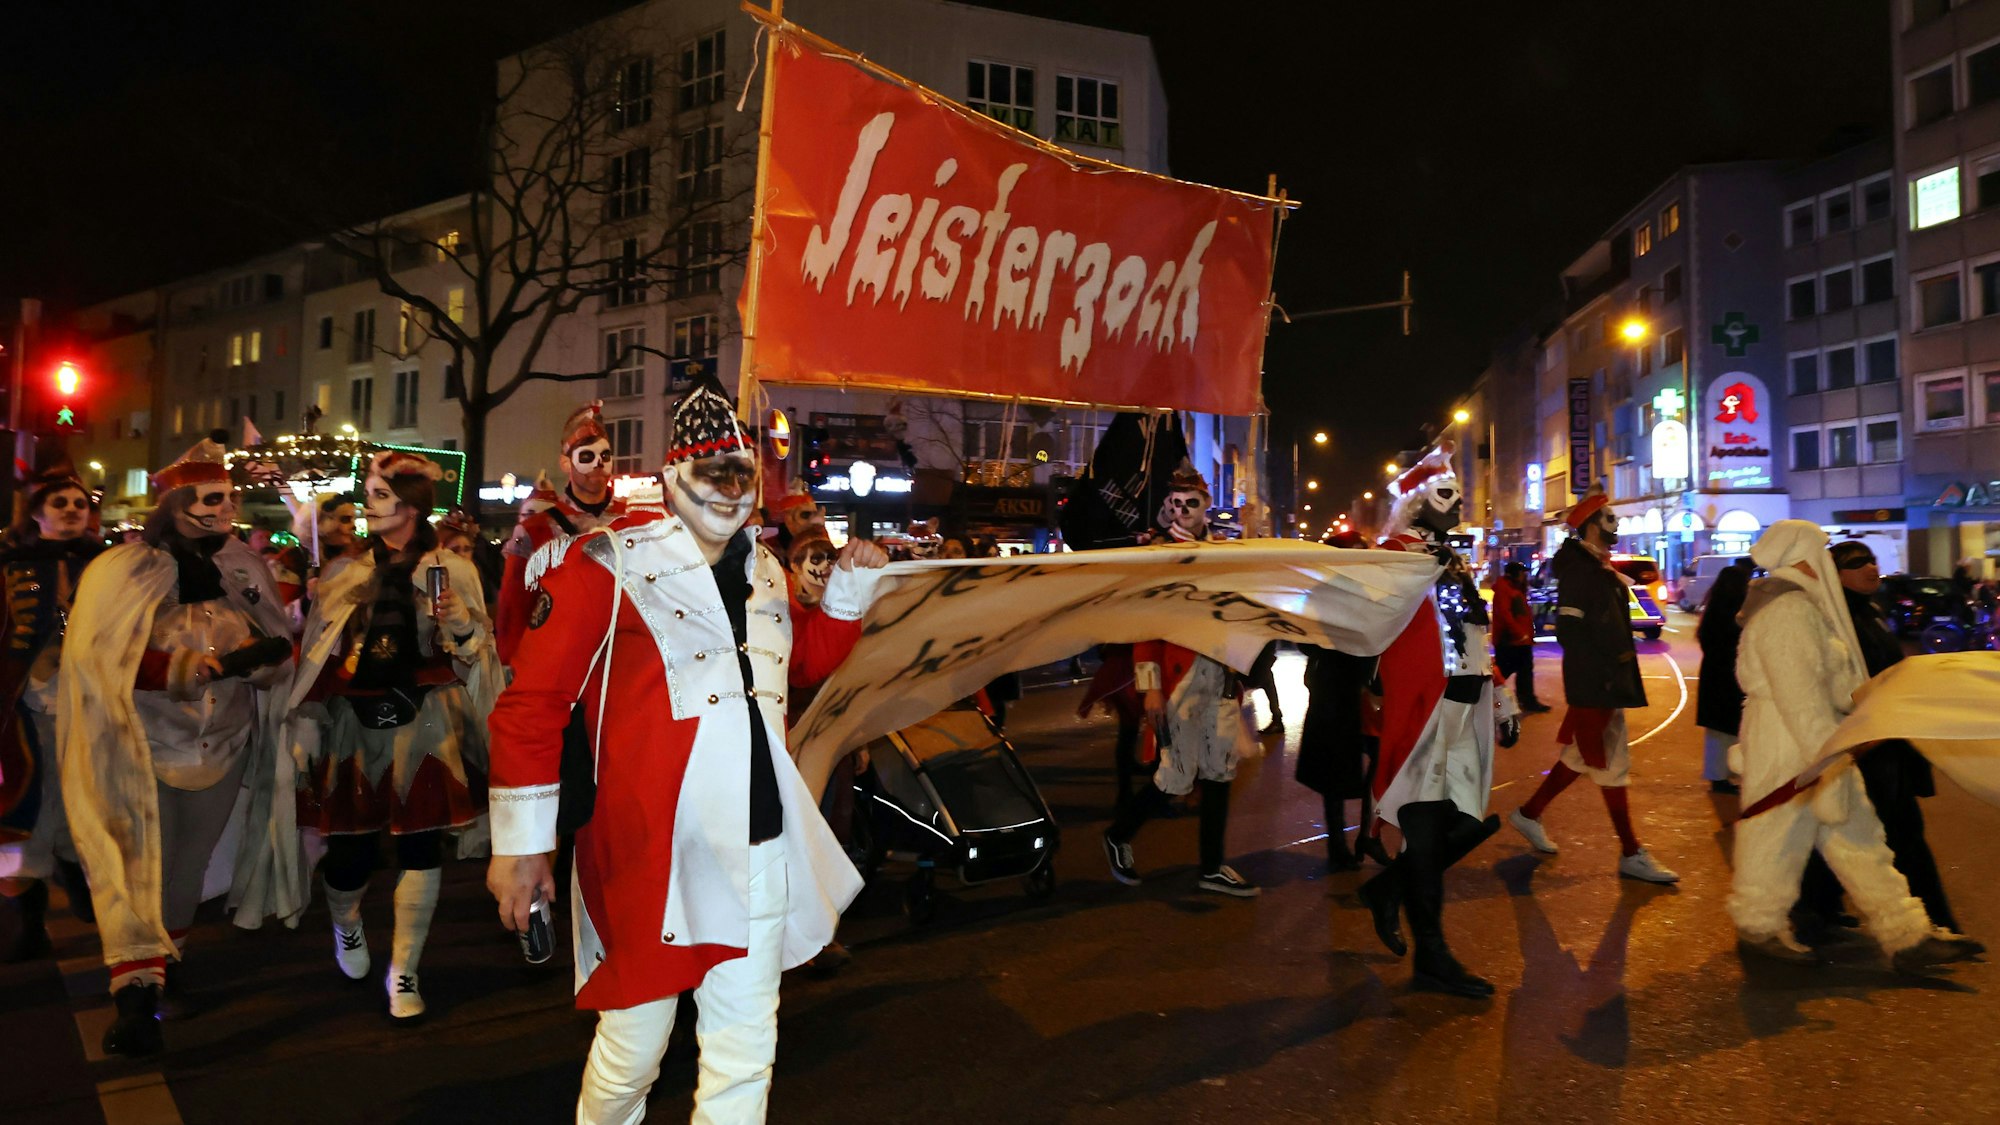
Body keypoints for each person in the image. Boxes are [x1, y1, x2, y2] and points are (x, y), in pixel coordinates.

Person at [484, 374, 887, 1123]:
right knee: (635, 1045)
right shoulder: (607, 565)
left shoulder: (766, 568)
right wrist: (522, 848)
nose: (732, 490)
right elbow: (531, 706)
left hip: (760, 840)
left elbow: (789, 671)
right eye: (713, 472)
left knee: (744, 1047)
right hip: (653, 853)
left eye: (744, 473)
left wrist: (847, 596)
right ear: (674, 476)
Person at [60, 440, 295, 1056]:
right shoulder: (124, 569)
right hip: (143, 745)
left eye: (230, 496)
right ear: (179, 504)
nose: (227, 507)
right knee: (138, 866)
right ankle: (134, 995)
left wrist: (264, 664)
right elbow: (100, 656)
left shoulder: (243, 567)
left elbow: (274, 642)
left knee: (186, 868)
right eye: (212, 497)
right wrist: (198, 667)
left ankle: (168, 961)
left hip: (223, 746)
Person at [292, 450, 501, 1019]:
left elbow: (478, 651)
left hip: (428, 718)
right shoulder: (344, 571)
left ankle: (404, 971)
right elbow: (317, 654)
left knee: (420, 843)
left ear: (410, 505)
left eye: (380, 495)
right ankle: (346, 922)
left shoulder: (452, 568)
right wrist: (307, 717)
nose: (368, 503)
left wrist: (459, 621)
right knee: (350, 853)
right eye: (369, 493)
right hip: (355, 724)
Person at [1727, 521, 1973, 970]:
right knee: (1776, 839)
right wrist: (1829, 754)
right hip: (1791, 746)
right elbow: (1799, 694)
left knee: (1858, 837)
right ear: (1805, 554)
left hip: (1814, 742)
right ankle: (1759, 928)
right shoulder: (1789, 610)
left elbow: (1830, 685)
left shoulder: (1801, 606)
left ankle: (1906, 933)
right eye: (1822, 548)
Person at [1356, 442, 1501, 997]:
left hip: (1465, 704)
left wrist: (1502, 693)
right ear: (1417, 503)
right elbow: (1371, 613)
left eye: (1459, 494)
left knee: (1464, 823)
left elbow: (1473, 631)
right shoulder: (1396, 552)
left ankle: (1387, 891)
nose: (1458, 502)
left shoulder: (1455, 558)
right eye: (1446, 494)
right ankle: (1433, 958)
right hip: (1424, 710)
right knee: (1424, 834)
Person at [1796, 541, 1979, 950]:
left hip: (1886, 741)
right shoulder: (1832, 621)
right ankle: (1928, 924)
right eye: (1855, 562)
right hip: (1863, 745)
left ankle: (1819, 911)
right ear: (1835, 574)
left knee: (1881, 832)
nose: (1870, 567)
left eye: (1871, 559)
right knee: (1882, 835)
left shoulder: (1871, 612)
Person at [1101, 464, 1261, 898]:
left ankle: (1212, 866)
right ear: (1168, 506)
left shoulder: (1226, 552)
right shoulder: (1157, 555)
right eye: (1176, 504)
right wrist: (1149, 685)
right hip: (1179, 680)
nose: (1183, 511)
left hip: (1221, 676)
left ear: (1206, 506)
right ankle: (1119, 835)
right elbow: (1145, 626)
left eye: (1192, 503)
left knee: (1219, 772)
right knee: (1175, 776)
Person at [1507, 488, 1678, 884]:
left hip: (1605, 682)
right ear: (1591, 525)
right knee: (1604, 762)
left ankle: (1530, 814)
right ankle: (1630, 852)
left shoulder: (1596, 568)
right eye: (1608, 517)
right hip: (1599, 684)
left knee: (1588, 758)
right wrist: (1599, 676)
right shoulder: (1583, 573)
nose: (1614, 522)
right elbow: (1570, 630)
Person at [0, 469, 107, 957]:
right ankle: (31, 921)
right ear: (38, 511)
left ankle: (79, 874)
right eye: (59, 502)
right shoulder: (11, 563)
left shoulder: (107, 565)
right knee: (30, 803)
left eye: (78, 503)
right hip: (29, 701)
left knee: (88, 798)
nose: (70, 509)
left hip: (94, 701)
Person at [495, 403, 626, 665]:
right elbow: (514, 606)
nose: (599, 464)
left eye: (606, 456)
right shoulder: (535, 529)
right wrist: (513, 663)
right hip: (559, 658)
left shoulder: (633, 519)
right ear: (566, 463)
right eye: (586, 457)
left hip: (623, 657)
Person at [1695, 562, 1752, 794]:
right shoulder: (1737, 612)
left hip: (1714, 676)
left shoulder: (1714, 609)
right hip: (1729, 677)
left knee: (1719, 731)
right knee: (1728, 729)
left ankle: (1719, 775)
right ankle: (1724, 775)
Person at [1491, 561, 1548, 713]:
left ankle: (1527, 700)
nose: (1525, 576)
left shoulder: (1515, 589)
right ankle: (1485, 695)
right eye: (1523, 573)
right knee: (1505, 670)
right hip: (1510, 640)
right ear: (1515, 574)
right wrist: (1519, 634)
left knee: (1524, 671)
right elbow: (1505, 614)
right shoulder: (1505, 589)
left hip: (1520, 640)